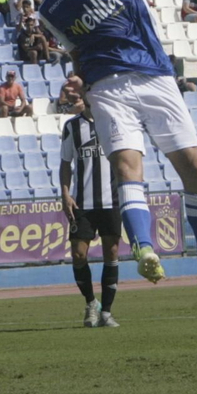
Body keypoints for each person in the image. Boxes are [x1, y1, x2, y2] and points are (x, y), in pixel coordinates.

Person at [23, 0, 197, 287]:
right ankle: (145, 250)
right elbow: (77, 54)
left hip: (155, 75)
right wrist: (83, 85)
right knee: (128, 166)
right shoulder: (50, 10)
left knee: (194, 167)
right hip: (107, 88)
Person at [60, 99, 122, 329]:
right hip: (82, 202)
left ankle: (106, 312)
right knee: (78, 254)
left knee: (112, 252)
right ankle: (91, 303)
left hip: (112, 200)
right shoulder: (72, 126)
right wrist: (65, 194)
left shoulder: (115, 122)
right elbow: (65, 163)